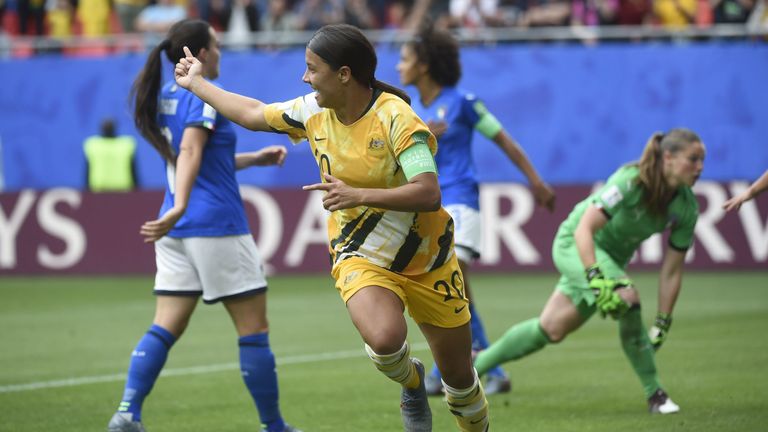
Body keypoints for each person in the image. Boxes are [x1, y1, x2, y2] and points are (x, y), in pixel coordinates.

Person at [175, 23, 490, 432]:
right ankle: (412, 381)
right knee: (384, 340)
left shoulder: (397, 118)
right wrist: (197, 83)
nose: (305, 78)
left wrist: (358, 194)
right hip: (360, 252)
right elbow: (254, 114)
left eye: (312, 68)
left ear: (344, 74)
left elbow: (428, 192)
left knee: (460, 383)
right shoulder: (312, 110)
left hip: (428, 258)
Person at [106, 19, 300, 432]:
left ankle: (127, 412)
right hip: (214, 223)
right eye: (217, 44)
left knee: (165, 325)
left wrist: (251, 160)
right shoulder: (203, 94)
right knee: (253, 329)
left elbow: (199, 160)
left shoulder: (164, 96)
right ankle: (274, 427)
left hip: (175, 230)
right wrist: (181, 204)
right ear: (203, 53)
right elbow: (192, 150)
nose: (222, 52)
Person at [474, 128, 705, 414]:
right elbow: (585, 227)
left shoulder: (686, 207)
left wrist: (663, 321)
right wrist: (595, 276)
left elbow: (672, 271)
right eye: (693, 159)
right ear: (668, 157)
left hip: (609, 262)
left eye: (701, 161)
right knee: (628, 299)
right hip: (577, 245)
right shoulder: (631, 182)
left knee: (551, 329)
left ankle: (473, 366)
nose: (699, 168)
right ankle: (655, 394)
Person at [397, 23, 556, 396]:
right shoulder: (408, 109)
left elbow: (505, 141)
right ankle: (490, 368)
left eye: (405, 59)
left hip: (461, 201)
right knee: (453, 287)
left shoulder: (463, 103)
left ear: (424, 64)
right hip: (429, 206)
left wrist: (535, 181)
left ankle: (449, 368)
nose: (399, 66)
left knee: (451, 282)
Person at [84, 118, 138, 192]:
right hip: (123, 190)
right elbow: (134, 171)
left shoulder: (92, 145)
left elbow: (87, 172)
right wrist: (137, 191)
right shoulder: (126, 144)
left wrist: (87, 192)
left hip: (98, 190)